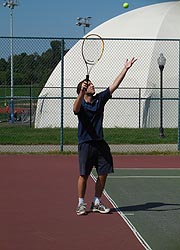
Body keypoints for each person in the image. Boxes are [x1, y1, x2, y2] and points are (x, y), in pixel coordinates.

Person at [73, 58, 137, 216]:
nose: (93, 85)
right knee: (84, 174)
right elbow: (75, 108)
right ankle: (81, 203)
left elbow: (114, 85)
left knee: (103, 173)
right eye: (90, 85)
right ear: (83, 89)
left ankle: (97, 201)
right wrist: (81, 92)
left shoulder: (99, 100)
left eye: (92, 84)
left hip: (100, 144)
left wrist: (125, 68)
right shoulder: (81, 104)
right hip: (86, 144)